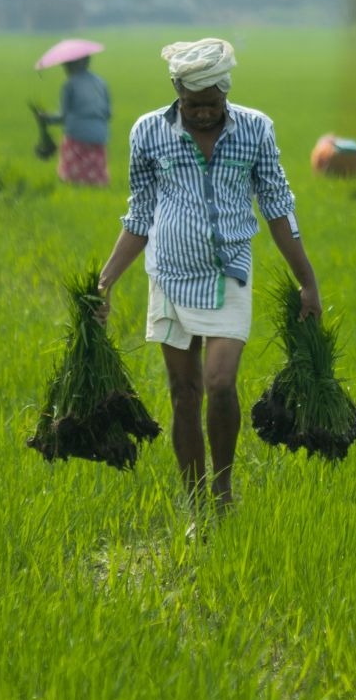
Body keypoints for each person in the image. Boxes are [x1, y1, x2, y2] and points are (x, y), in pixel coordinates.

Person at [96, 37, 321, 512]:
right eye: (192, 104)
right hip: (170, 276)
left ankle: (223, 488)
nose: (202, 113)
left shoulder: (255, 130)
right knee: (183, 394)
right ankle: (195, 498)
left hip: (229, 274)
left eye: (211, 103)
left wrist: (308, 281)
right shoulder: (148, 132)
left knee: (220, 384)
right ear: (178, 90)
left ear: (225, 90)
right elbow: (139, 217)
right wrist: (105, 282)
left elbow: (279, 208)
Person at [33, 54, 111, 186]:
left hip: (77, 136)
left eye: (67, 63)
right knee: (96, 181)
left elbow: (63, 116)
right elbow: (108, 113)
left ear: (74, 64)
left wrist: (45, 118)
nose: (64, 66)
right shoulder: (101, 82)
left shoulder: (69, 85)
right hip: (100, 135)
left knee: (73, 180)